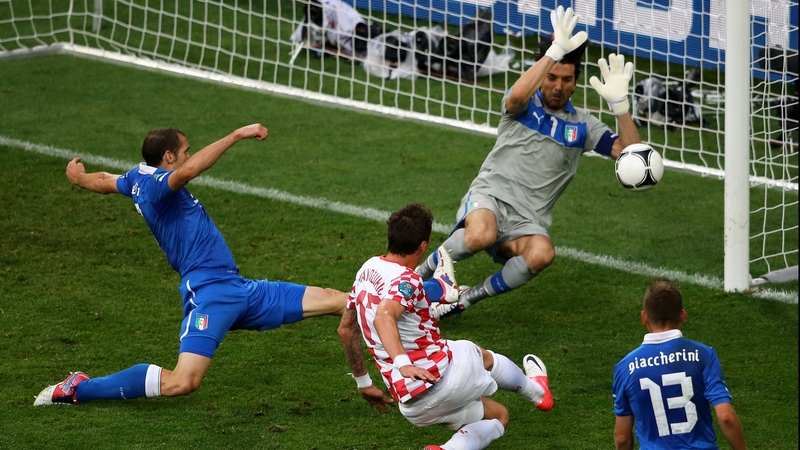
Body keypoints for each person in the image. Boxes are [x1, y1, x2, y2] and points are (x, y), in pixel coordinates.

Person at [34, 124, 358, 406]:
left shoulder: (137, 178)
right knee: (183, 382)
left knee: (341, 300)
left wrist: (79, 178)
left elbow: (106, 180)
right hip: (209, 293)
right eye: (186, 150)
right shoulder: (156, 187)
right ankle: (79, 388)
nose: (189, 155)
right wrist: (237, 134)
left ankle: (403, 338)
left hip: (240, 289)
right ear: (169, 157)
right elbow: (188, 172)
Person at [415, 6, 643, 320]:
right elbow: (518, 94)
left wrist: (620, 106)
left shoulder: (584, 125)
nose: (558, 86)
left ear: (575, 83)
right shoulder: (523, 105)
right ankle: (415, 276)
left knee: (542, 253)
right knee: (481, 235)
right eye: (551, 77)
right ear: (542, 73)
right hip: (491, 195)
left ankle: (463, 301)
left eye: (566, 79)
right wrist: (554, 51)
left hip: (527, 219)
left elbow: (632, 156)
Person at [338, 203, 553, 450]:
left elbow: (345, 330)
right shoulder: (407, 279)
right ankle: (538, 393)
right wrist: (403, 363)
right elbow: (384, 316)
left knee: (499, 416)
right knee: (482, 356)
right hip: (443, 376)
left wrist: (364, 383)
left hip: (412, 404)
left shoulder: (366, 270)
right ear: (423, 245)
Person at [612, 279, 747, 450]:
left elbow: (623, 437)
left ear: (644, 317)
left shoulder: (625, 367)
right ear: (682, 316)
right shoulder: (703, 355)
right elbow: (726, 416)